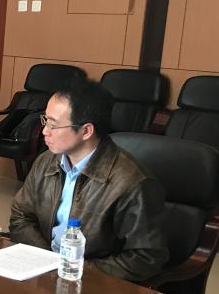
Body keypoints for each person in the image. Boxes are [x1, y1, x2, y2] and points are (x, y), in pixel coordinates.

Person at [10, 79, 168, 282]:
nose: (44, 131)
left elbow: (146, 257)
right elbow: (21, 215)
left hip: (93, 283)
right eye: (45, 121)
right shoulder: (46, 161)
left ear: (86, 131)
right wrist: (48, 263)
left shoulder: (132, 182)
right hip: (45, 273)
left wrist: (72, 269)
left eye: (53, 125)